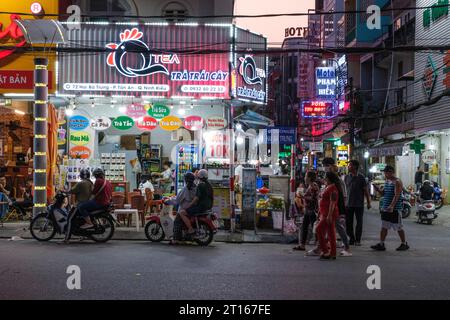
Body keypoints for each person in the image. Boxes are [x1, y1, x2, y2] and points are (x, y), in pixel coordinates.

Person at [371, 165, 409, 251]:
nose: (385, 174)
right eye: (384, 172)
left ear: (391, 172)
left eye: (386, 172)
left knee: (398, 227)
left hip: (395, 209)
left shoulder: (397, 182)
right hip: (386, 208)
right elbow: (383, 193)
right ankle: (381, 244)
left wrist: (392, 206)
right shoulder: (387, 181)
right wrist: (377, 189)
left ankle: (404, 243)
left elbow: (397, 195)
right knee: (384, 226)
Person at [320, 157, 352, 257]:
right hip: (328, 208)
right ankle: (327, 247)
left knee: (337, 227)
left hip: (335, 208)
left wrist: (342, 207)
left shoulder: (338, 180)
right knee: (329, 228)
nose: (324, 168)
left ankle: (346, 246)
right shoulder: (329, 179)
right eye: (324, 166)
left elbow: (344, 195)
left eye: (326, 166)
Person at [315, 171, 344, 260]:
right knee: (331, 233)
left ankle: (325, 251)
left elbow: (333, 202)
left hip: (329, 213)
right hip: (325, 213)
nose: (324, 178)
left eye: (325, 177)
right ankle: (332, 253)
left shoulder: (333, 188)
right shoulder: (329, 187)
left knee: (318, 229)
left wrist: (329, 215)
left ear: (328, 178)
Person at [345, 160, 372, 246]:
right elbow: (345, 190)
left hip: (359, 204)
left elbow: (366, 191)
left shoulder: (361, 177)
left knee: (359, 222)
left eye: (350, 165)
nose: (348, 167)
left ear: (354, 167)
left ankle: (358, 240)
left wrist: (368, 202)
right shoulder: (346, 177)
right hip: (348, 203)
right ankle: (351, 239)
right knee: (348, 222)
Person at [179, 169, 214, 235]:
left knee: (182, 212)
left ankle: (190, 229)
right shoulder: (209, 185)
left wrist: (188, 205)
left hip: (201, 207)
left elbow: (196, 198)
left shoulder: (200, 185)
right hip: (209, 206)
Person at [293, 171, 319, 251]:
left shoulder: (313, 186)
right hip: (308, 210)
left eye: (306, 176)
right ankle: (302, 245)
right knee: (305, 227)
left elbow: (313, 198)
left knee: (315, 228)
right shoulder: (310, 186)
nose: (304, 178)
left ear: (309, 178)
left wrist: (303, 197)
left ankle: (319, 245)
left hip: (312, 211)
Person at [170, 172, 198, 245]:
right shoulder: (195, 187)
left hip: (186, 209)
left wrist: (169, 200)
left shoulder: (185, 189)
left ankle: (176, 239)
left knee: (177, 222)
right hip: (193, 208)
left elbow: (177, 200)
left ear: (185, 180)